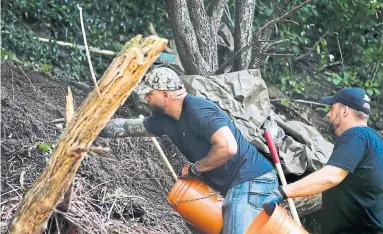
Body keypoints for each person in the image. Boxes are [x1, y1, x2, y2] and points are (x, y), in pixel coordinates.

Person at [101, 67, 278, 233]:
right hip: (233, 184)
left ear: (165, 95)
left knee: (233, 224)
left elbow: (228, 147)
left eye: (149, 94)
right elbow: (128, 128)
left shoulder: (198, 110)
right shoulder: (164, 119)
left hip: (254, 178)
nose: (146, 98)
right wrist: (96, 127)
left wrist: (196, 169)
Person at [263, 87, 383, 233]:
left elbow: (330, 177)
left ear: (344, 111)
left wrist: (282, 192)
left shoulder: (356, 136)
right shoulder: (375, 140)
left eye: (332, 108)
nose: (328, 114)